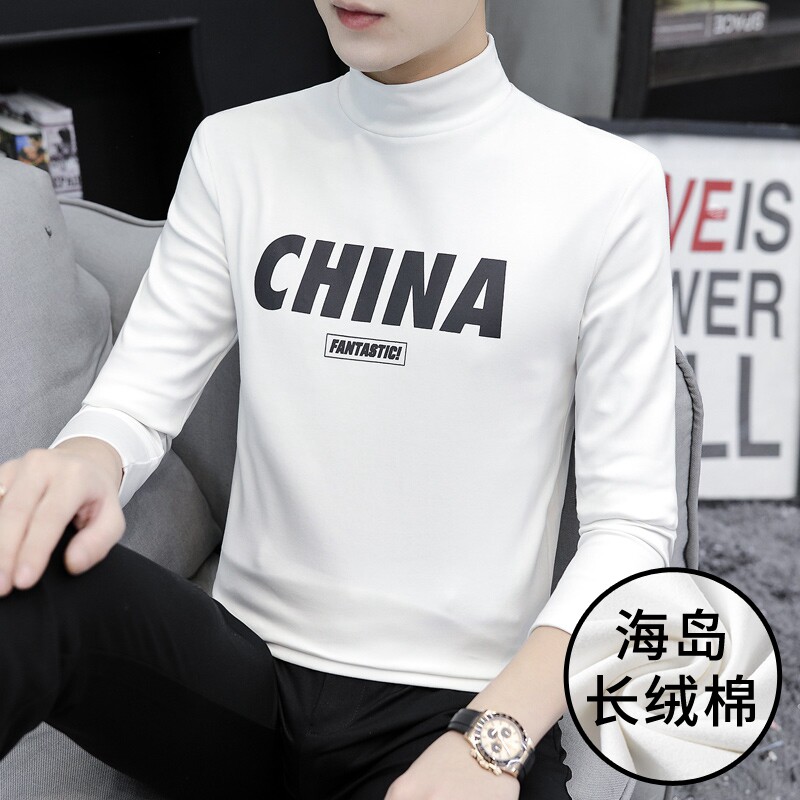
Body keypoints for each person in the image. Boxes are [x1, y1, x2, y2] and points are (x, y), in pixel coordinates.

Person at [0, 1, 678, 798]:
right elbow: (136, 401)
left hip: (448, 711)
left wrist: (494, 738)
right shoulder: (237, 149)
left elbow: (633, 528)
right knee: (22, 582)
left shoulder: (605, 187)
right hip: (237, 680)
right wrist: (85, 459)